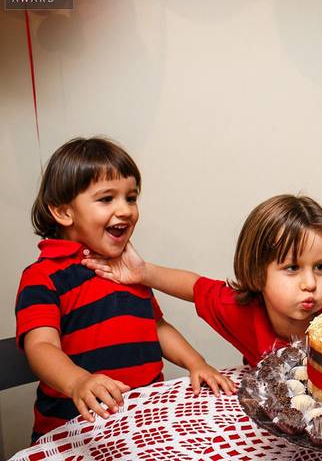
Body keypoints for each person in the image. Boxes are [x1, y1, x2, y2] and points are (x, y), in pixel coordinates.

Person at [15, 137, 233, 443]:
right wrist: (77, 381)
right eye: (107, 199)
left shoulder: (126, 269)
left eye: (131, 198)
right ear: (64, 212)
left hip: (139, 424)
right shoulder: (44, 276)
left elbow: (156, 327)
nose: (126, 210)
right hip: (77, 432)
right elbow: (40, 347)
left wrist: (197, 363)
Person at [82, 195, 322, 365]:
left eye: (320, 268)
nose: (310, 283)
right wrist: (143, 272)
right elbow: (195, 287)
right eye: (292, 268)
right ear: (258, 273)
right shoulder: (240, 310)